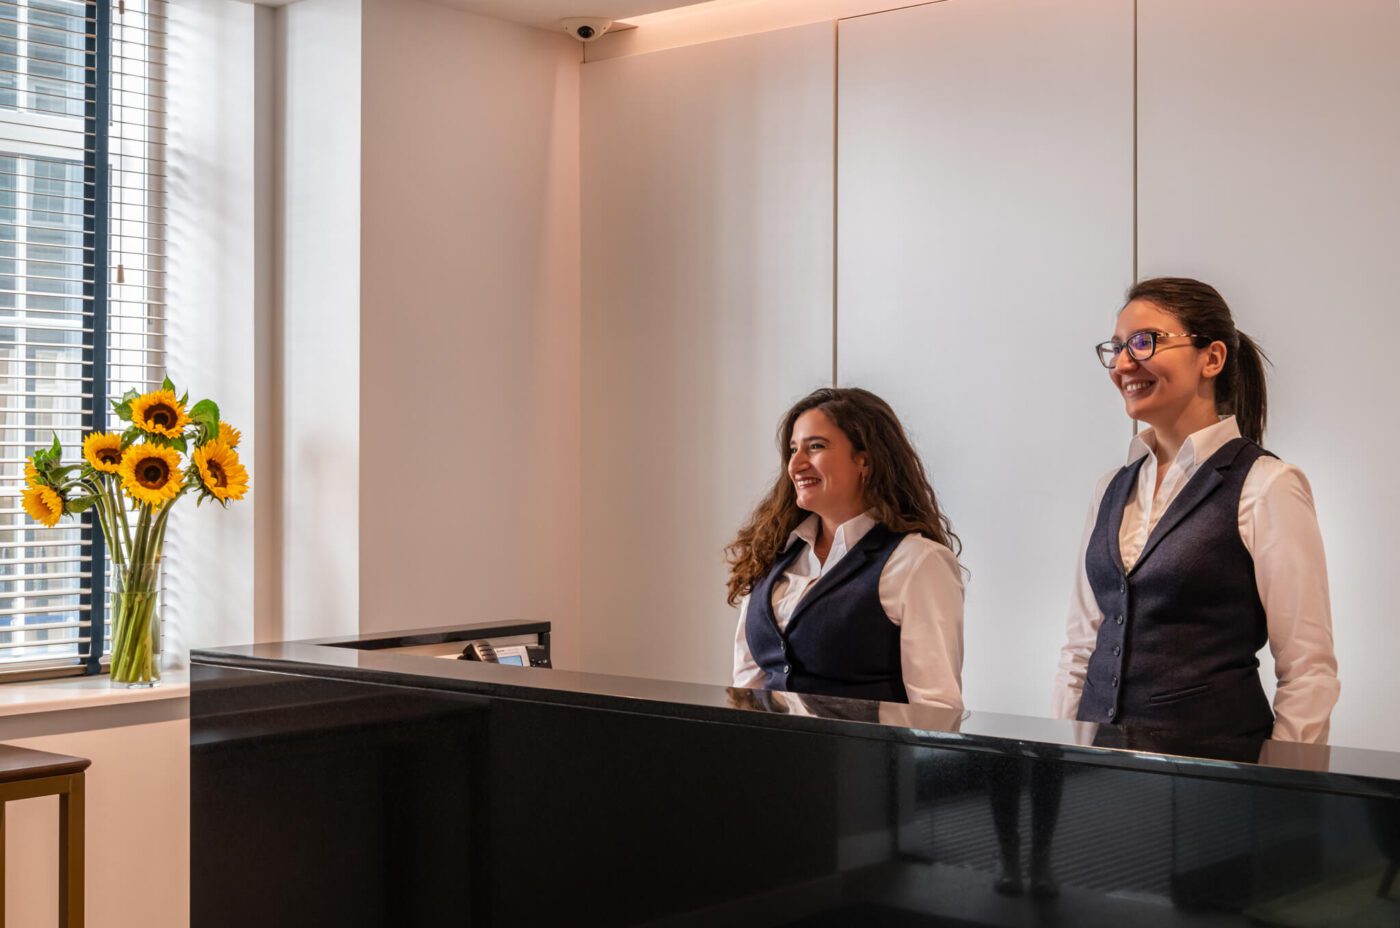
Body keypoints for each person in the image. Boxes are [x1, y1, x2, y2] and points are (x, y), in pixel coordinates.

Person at [1054, 277, 1339, 742]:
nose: (1124, 363)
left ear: (1213, 357)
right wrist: (1061, 763)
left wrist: (1288, 787)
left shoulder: (1267, 485)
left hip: (1215, 778)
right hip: (1100, 779)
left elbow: (1308, 671)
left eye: (1144, 342)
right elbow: (1080, 649)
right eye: (1117, 347)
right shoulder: (1110, 488)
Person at [728, 387, 964, 707]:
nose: (795, 464)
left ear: (864, 461)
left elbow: (935, 709)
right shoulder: (772, 554)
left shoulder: (917, 561)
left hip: (863, 758)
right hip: (767, 756)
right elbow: (747, 687)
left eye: (815, 447)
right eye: (793, 449)